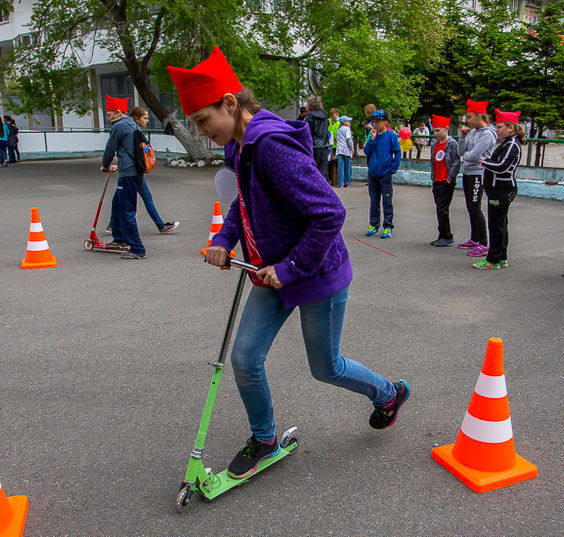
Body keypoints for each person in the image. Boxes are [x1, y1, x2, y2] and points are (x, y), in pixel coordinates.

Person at [167, 47, 410, 479]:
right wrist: (224, 239)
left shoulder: (271, 146)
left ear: (229, 104)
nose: (202, 133)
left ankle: (388, 394)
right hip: (272, 273)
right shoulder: (238, 147)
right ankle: (264, 440)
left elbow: (330, 213)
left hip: (316, 273)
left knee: (326, 367)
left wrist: (291, 267)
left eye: (204, 121)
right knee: (245, 358)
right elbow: (245, 202)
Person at [473, 110, 525, 269]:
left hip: (501, 189)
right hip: (497, 189)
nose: (497, 130)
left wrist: (484, 162)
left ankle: (493, 260)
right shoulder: (507, 143)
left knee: (496, 225)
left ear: (511, 128)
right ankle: (501, 257)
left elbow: (502, 166)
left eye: (500, 127)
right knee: (500, 223)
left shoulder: (511, 145)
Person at [101, 94, 146, 259]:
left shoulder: (119, 127)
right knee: (117, 204)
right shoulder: (133, 124)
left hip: (128, 174)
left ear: (118, 112)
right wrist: (118, 166)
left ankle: (137, 248)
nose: (108, 118)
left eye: (110, 114)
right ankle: (119, 238)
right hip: (133, 171)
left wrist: (105, 165)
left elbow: (109, 150)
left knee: (127, 211)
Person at [128, 106, 179, 234]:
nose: (147, 121)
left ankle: (112, 225)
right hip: (134, 172)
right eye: (145, 118)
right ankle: (160, 225)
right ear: (136, 119)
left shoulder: (133, 130)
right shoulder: (134, 132)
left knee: (122, 199)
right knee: (143, 197)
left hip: (133, 171)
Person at [457, 99, 497, 257]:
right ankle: (474, 238)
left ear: (479, 116)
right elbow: (461, 152)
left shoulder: (488, 134)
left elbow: (474, 156)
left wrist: (467, 156)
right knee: (470, 207)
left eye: (470, 117)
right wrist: (462, 137)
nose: (467, 121)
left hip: (478, 174)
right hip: (467, 173)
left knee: (475, 207)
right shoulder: (472, 132)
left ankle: (484, 243)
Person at [363, 109, 401, 238]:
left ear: (385, 122)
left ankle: (388, 226)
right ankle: (374, 224)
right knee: (374, 200)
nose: (375, 124)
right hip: (373, 173)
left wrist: (392, 169)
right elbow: (367, 151)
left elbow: (397, 153)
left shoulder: (391, 136)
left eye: (378, 121)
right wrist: (372, 139)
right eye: (374, 121)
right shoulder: (372, 135)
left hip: (385, 174)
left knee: (387, 200)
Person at [429, 114, 460, 246]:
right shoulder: (435, 145)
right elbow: (433, 162)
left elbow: (456, 162)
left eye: (438, 130)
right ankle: (442, 234)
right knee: (439, 209)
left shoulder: (451, 144)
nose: (436, 133)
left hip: (446, 180)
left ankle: (446, 236)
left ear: (446, 129)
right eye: (434, 131)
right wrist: (433, 178)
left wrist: (450, 178)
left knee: (442, 208)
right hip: (437, 180)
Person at [303, 96, 330, 178]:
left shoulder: (309, 117)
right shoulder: (325, 116)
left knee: (312, 173)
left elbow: (306, 133)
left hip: (313, 147)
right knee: (323, 173)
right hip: (324, 146)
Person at [334, 116, 354, 188]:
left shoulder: (339, 130)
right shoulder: (347, 129)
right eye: (348, 121)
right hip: (346, 150)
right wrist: (352, 148)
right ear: (344, 122)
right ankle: (347, 182)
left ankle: (341, 183)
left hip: (339, 150)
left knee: (340, 167)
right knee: (347, 166)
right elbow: (348, 139)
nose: (349, 123)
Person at [328, 108, 340, 185]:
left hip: (336, 145)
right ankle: (330, 178)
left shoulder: (340, 122)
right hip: (329, 144)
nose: (332, 118)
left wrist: (336, 137)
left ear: (336, 114)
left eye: (333, 116)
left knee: (336, 163)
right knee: (329, 163)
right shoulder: (328, 121)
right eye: (331, 116)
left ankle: (336, 179)